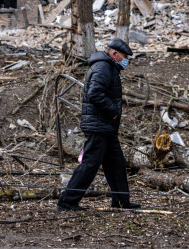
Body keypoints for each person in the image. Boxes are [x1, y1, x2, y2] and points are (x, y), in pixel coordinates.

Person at [56, 38, 141, 212]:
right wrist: (112, 111)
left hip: (105, 125)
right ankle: (66, 201)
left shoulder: (109, 67)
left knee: (116, 164)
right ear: (114, 54)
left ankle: (120, 201)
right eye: (124, 57)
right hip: (99, 124)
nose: (126, 61)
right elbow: (94, 92)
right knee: (89, 164)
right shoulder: (103, 67)